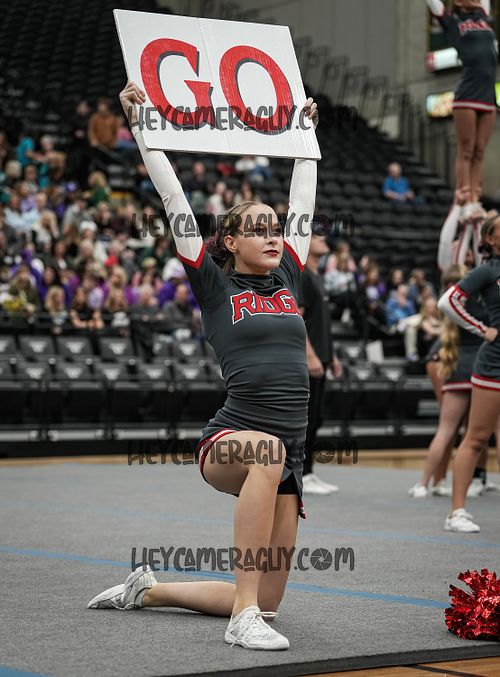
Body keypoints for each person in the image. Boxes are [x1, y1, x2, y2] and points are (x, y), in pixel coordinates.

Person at [87, 80, 318, 650]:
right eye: (258, 229)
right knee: (266, 453)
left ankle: (149, 591)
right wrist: (143, 128)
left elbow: (305, 203)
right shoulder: (215, 287)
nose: (273, 235)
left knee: (268, 599)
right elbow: (174, 201)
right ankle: (242, 622)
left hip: (289, 458)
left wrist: (305, 139)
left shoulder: (288, 276)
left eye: (276, 228)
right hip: (231, 442)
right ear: (230, 242)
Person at [438, 214, 500, 531]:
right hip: (493, 364)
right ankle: (456, 512)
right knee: (476, 438)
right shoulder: (488, 270)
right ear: (490, 239)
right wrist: (480, 328)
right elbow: (448, 302)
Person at [426, 0, 496, 218]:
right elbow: (434, 4)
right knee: (466, 150)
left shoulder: (483, 17)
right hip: (467, 94)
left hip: (488, 94)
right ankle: (464, 199)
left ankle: (475, 199)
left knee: (480, 150)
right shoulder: (452, 21)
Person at [299, 230, 342, 495]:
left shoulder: (318, 276)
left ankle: (309, 472)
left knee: (317, 417)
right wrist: (310, 355)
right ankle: (300, 472)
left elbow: (321, 323)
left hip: (323, 356)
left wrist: (332, 356)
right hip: (309, 359)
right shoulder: (303, 276)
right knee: (307, 418)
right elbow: (297, 317)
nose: (324, 239)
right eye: (317, 237)